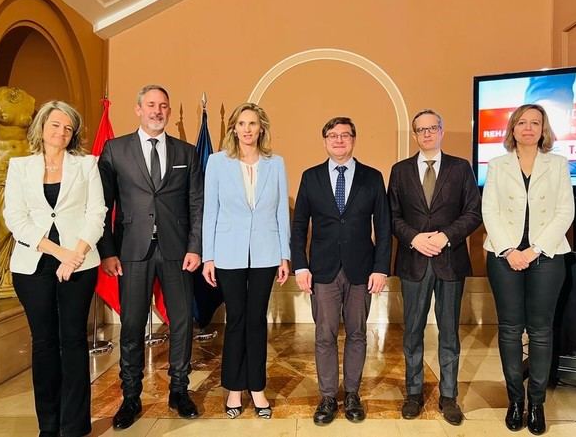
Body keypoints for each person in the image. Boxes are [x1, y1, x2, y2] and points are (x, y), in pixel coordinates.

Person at [97, 85, 204, 429]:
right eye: (151, 105)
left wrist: (195, 246)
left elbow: (196, 205)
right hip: (131, 252)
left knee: (183, 322)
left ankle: (179, 390)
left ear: (168, 112)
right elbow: (103, 206)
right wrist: (108, 252)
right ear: (138, 109)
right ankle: (131, 397)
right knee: (131, 327)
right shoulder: (115, 150)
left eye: (164, 106)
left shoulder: (186, 153)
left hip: (177, 251)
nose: (158, 111)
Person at [3, 100, 106, 437]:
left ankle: (75, 427)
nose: (61, 132)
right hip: (33, 265)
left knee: (73, 340)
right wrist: (58, 252)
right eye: (55, 125)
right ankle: (48, 427)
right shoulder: (20, 167)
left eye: (68, 127)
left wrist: (74, 255)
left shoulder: (87, 165)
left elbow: (97, 214)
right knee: (44, 343)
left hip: (80, 263)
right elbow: (15, 218)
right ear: (42, 128)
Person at [291, 117, 391, 425]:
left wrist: (381, 268)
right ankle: (327, 397)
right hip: (322, 271)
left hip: (362, 270)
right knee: (324, 335)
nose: (338, 140)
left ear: (354, 139)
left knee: (358, 334)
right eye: (332, 136)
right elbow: (298, 227)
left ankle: (352, 395)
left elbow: (384, 228)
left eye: (344, 135)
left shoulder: (373, 178)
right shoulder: (311, 177)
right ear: (324, 141)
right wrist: (300, 265)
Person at [482, 104, 574, 435]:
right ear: (513, 129)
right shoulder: (496, 165)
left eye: (535, 122)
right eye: (522, 122)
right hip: (503, 255)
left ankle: (536, 403)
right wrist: (509, 250)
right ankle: (514, 402)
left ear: (543, 129)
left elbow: (566, 212)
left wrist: (534, 250)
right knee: (509, 328)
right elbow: (488, 210)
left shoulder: (559, 164)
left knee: (540, 331)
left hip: (547, 256)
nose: (529, 127)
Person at [388, 109, 482, 426]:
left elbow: (473, 212)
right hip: (413, 260)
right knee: (412, 332)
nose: (427, 134)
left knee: (449, 334)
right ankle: (413, 394)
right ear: (414, 135)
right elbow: (392, 216)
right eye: (420, 130)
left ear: (441, 131)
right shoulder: (400, 171)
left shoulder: (460, 168)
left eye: (432, 128)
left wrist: (444, 237)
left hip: (450, 261)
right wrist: (415, 238)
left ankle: (449, 396)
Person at [202, 102, 290, 419]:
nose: (248, 129)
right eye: (242, 123)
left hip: (266, 253)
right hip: (228, 253)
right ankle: (235, 388)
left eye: (253, 123)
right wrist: (208, 256)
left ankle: (257, 388)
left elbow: (281, 211)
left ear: (261, 128)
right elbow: (209, 211)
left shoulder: (276, 163)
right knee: (236, 319)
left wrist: (284, 254)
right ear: (234, 128)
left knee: (257, 320)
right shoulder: (217, 163)